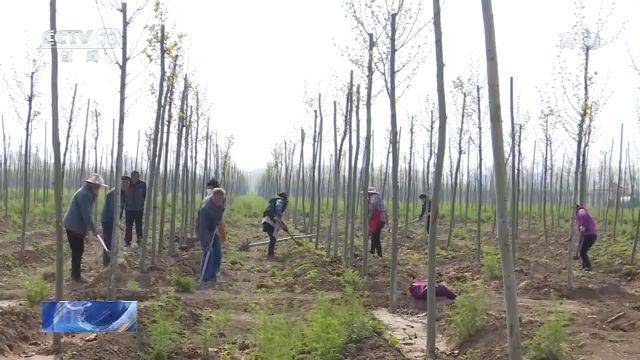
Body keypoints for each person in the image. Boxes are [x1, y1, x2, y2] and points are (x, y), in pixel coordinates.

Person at [63, 174, 108, 282]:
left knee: (78, 250)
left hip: (75, 225)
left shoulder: (87, 192)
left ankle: (75, 274)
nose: (98, 188)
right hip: (74, 226)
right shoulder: (85, 195)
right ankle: (76, 276)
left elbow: (86, 215)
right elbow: (86, 215)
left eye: (99, 186)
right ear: (91, 184)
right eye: (97, 186)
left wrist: (88, 232)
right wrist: (93, 229)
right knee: (78, 250)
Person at [197, 181, 227, 288]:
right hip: (203, 230)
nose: (219, 201)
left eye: (221, 199)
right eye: (217, 199)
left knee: (218, 253)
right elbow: (203, 228)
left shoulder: (221, 204)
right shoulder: (206, 208)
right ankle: (204, 278)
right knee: (208, 252)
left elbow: (219, 221)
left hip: (213, 228)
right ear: (213, 197)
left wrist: (224, 238)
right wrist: (208, 242)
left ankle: (214, 275)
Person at [100, 176, 131, 266]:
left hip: (114, 220)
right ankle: (106, 263)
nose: (127, 187)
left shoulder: (123, 193)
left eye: (128, 185)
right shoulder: (113, 194)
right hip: (108, 220)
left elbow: (121, 209)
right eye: (125, 184)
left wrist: (119, 221)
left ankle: (113, 260)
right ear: (121, 183)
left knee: (115, 240)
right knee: (108, 241)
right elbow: (112, 211)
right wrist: (118, 223)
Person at [261, 192, 288, 259]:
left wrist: (283, 226)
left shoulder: (275, 201)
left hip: (266, 220)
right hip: (269, 221)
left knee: (273, 238)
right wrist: (282, 224)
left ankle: (271, 254)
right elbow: (278, 211)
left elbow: (277, 218)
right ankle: (270, 255)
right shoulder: (280, 201)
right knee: (273, 238)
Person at [123, 170, 146, 248]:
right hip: (129, 209)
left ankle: (139, 241)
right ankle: (127, 242)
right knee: (128, 226)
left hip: (139, 209)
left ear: (139, 177)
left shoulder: (143, 184)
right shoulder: (128, 184)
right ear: (131, 177)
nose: (135, 178)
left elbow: (144, 196)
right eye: (133, 176)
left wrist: (141, 204)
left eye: (136, 176)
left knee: (139, 225)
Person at [574, 204, 598, 271]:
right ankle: (584, 266)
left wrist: (582, 225)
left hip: (590, 235)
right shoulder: (578, 215)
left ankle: (588, 266)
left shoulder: (581, 211)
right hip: (588, 235)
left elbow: (583, 215)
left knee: (583, 251)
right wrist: (579, 242)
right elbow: (581, 233)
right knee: (583, 251)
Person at [367, 187, 387, 257]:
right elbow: (385, 211)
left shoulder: (372, 200)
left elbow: (371, 213)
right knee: (374, 236)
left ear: (369, 194)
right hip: (381, 221)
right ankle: (372, 251)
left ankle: (379, 254)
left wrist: (368, 221)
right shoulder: (380, 199)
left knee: (375, 237)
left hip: (377, 221)